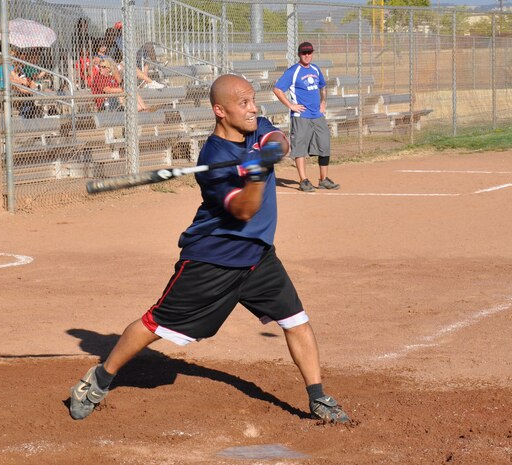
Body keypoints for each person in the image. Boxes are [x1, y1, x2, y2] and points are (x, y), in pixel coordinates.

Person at [69, 74, 350, 425]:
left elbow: (276, 137)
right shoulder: (213, 161)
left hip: (258, 257)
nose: (253, 108)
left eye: (252, 100)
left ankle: (318, 397)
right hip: (213, 259)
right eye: (243, 103)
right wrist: (256, 175)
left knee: (296, 321)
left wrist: (271, 149)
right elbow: (245, 211)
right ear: (220, 111)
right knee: (156, 323)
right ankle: (100, 379)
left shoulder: (255, 125)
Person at [273, 42, 340, 192]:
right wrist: (291, 105)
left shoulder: (315, 69)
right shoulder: (293, 71)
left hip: (317, 115)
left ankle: (323, 179)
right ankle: (303, 180)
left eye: (309, 52)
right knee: (300, 148)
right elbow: (277, 89)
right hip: (301, 116)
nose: (307, 55)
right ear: (299, 54)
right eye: (304, 53)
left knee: (324, 145)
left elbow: (323, 86)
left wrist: (323, 102)